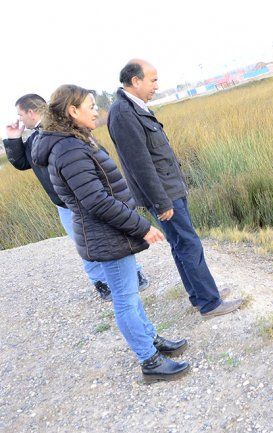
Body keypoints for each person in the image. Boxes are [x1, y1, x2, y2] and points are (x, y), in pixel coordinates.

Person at [31, 84, 189, 381]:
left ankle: (151, 339)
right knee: (126, 298)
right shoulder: (68, 149)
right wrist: (142, 227)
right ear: (72, 111)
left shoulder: (74, 141)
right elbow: (96, 202)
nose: (96, 111)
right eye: (90, 106)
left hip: (110, 232)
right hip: (105, 235)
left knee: (130, 293)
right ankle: (149, 361)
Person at [107, 59, 242, 318]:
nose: (157, 86)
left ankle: (199, 294)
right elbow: (140, 164)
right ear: (135, 81)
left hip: (168, 189)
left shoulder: (133, 107)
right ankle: (210, 303)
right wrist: (161, 202)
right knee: (188, 244)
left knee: (181, 244)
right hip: (164, 194)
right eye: (153, 80)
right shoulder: (123, 112)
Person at [3, 94, 148, 301]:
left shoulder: (67, 130)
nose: (19, 119)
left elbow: (99, 155)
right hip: (65, 204)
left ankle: (131, 274)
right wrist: (14, 139)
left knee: (112, 236)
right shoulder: (35, 139)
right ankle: (103, 281)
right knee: (86, 243)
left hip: (90, 195)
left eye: (20, 114)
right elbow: (23, 163)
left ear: (31, 112)